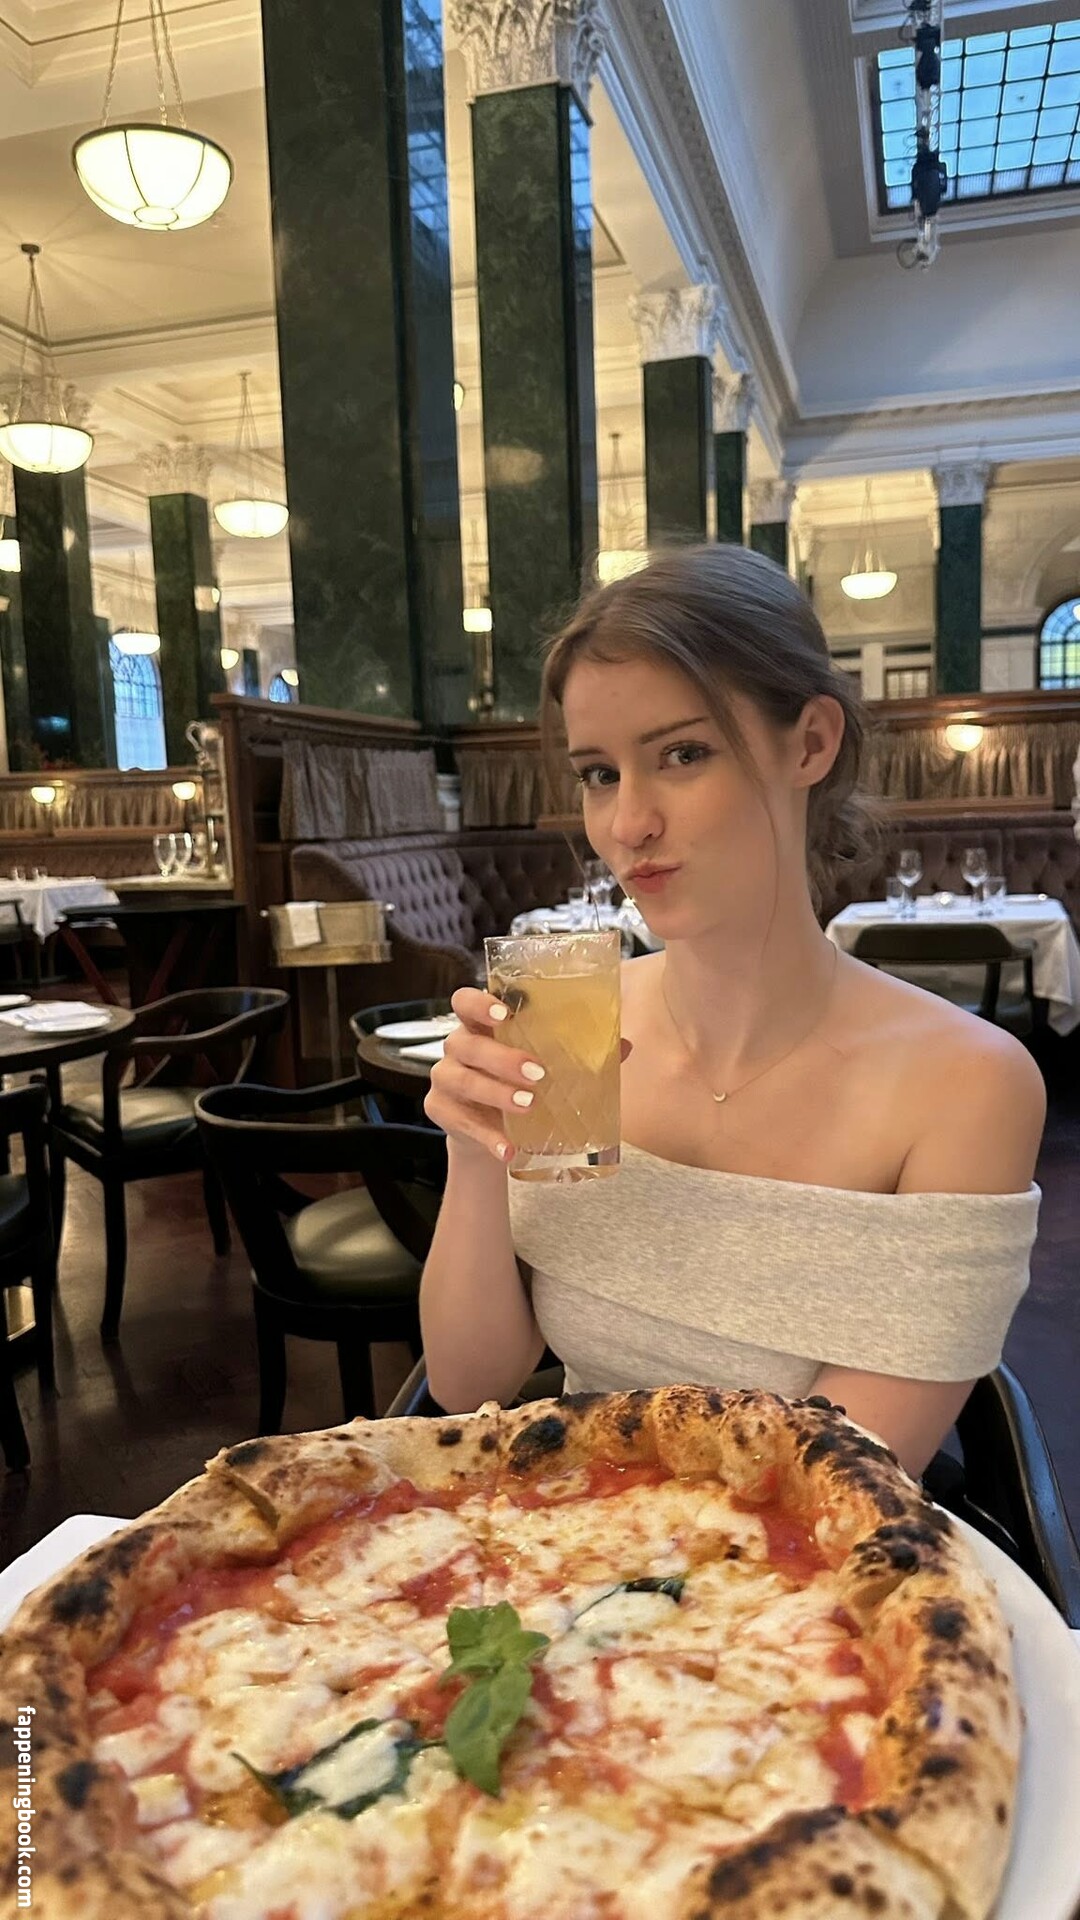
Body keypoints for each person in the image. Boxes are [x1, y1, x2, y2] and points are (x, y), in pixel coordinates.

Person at [420, 544, 1045, 1476]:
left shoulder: (968, 1084)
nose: (628, 824)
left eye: (683, 754)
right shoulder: (571, 1027)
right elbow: (472, 1382)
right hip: (565, 1527)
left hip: (803, 1544)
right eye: (599, 773)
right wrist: (473, 1154)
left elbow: (835, 1477)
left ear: (811, 743)